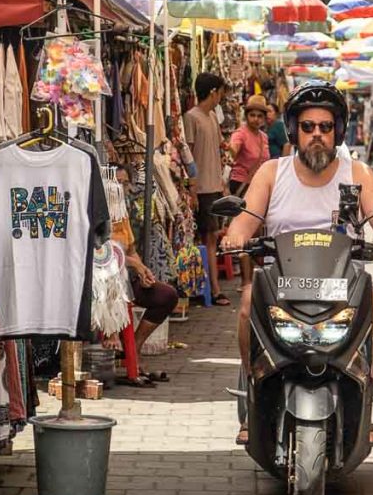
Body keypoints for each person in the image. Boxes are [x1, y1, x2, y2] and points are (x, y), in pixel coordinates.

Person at [220, 80, 373, 444]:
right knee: (245, 302)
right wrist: (235, 234)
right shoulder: (273, 172)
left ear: (337, 132)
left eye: (325, 127)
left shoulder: (358, 173)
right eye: (308, 127)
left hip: (341, 283)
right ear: (293, 130)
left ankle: (365, 393)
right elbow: (245, 219)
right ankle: (253, 392)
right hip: (282, 282)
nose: (317, 135)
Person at [102, 167, 179, 387]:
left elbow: (131, 250)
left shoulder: (122, 216)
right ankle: (115, 340)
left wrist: (143, 270)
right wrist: (133, 263)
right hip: (105, 283)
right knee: (116, 282)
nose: (122, 189)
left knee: (166, 295)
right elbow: (98, 254)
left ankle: (133, 348)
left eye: (125, 184)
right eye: (117, 183)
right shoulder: (97, 215)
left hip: (128, 279)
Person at [183, 72, 231, 306]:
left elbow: (218, 150)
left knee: (211, 237)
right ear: (213, 92)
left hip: (213, 185)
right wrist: (191, 188)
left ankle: (211, 288)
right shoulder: (191, 117)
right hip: (200, 188)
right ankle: (212, 289)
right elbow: (187, 154)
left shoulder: (211, 116)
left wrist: (222, 183)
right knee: (207, 238)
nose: (221, 97)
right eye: (220, 92)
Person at [228, 95, 271, 197]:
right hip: (241, 183)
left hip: (258, 183)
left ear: (264, 118)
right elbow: (233, 151)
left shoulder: (264, 137)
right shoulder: (240, 133)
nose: (256, 119)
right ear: (247, 116)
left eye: (260, 116)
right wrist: (230, 149)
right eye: (252, 115)